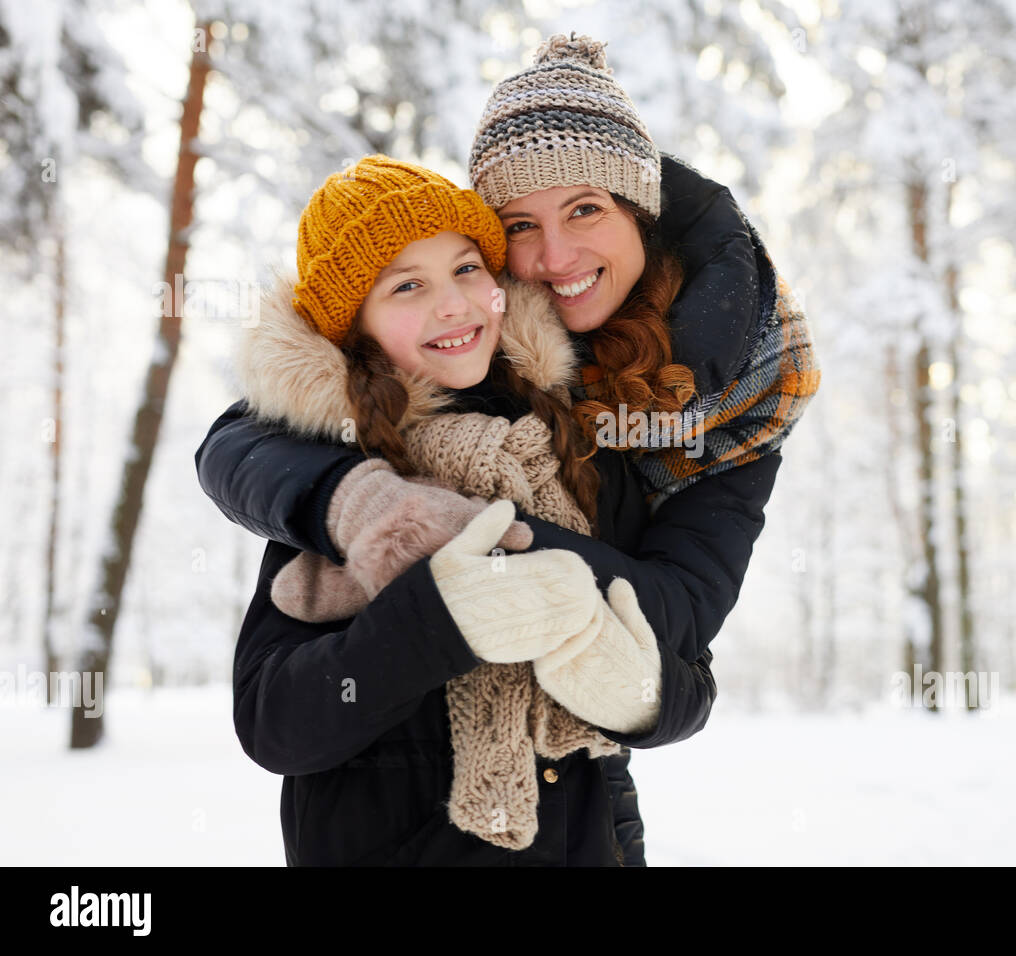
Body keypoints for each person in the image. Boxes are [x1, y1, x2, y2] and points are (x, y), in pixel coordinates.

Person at [196, 33, 820, 862]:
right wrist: (390, 542)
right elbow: (277, 715)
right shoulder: (369, 443)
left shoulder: (626, 429)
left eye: (587, 209)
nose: (556, 256)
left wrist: (524, 578)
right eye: (521, 225)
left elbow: (680, 662)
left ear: (640, 209)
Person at [230, 155, 717, 866]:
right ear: (356, 328)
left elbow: (690, 684)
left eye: (466, 269)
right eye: (406, 286)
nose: (453, 304)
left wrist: (627, 687)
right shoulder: (355, 478)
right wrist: (435, 620)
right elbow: (275, 725)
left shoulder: (575, 450)